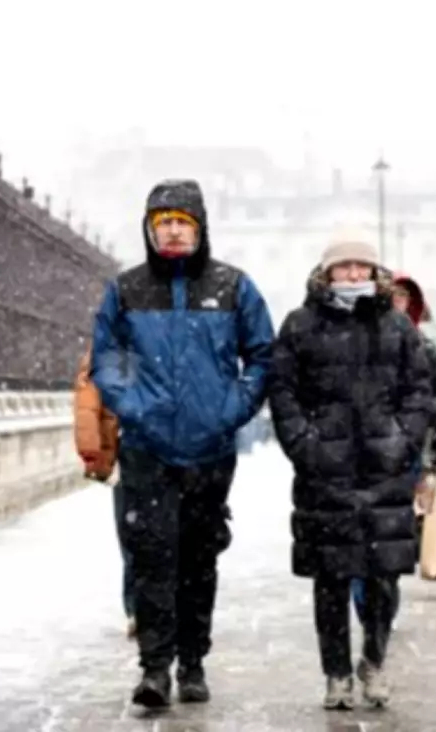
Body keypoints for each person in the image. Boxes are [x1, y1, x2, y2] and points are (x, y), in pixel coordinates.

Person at [91, 180, 274, 708]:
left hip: (209, 449)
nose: (172, 230)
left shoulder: (233, 287)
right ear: (150, 230)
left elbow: (261, 356)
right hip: (147, 447)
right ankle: (154, 668)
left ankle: (192, 662)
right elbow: (107, 355)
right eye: (163, 222)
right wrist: (131, 404)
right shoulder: (126, 290)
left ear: (199, 229)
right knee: (151, 556)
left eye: (182, 222)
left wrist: (232, 408)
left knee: (198, 557)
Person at [268, 231, 431, 711]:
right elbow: (284, 391)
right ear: (328, 272)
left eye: (363, 266)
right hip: (327, 473)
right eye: (345, 267)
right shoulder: (301, 325)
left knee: (383, 577)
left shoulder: (397, 327)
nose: (354, 274)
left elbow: (419, 389)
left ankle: (374, 661)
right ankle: (336, 673)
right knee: (331, 580)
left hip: (384, 471)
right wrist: (305, 444)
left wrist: (402, 441)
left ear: (375, 273)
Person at [350, 273, 436, 630]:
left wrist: (417, 419)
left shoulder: (423, 346)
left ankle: (381, 605)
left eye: (404, 297)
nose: (398, 302)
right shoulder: (355, 338)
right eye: (392, 295)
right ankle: (366, 603)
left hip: (405, 456)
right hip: (354, 453)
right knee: (356, 531)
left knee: (392, 533)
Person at [73, 347, 135, 638]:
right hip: (153, 450)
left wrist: (95, 457)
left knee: (131, 534)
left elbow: (87, 406)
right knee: (158, 532)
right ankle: (153, 605)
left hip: (124, 454)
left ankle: (137, 607)